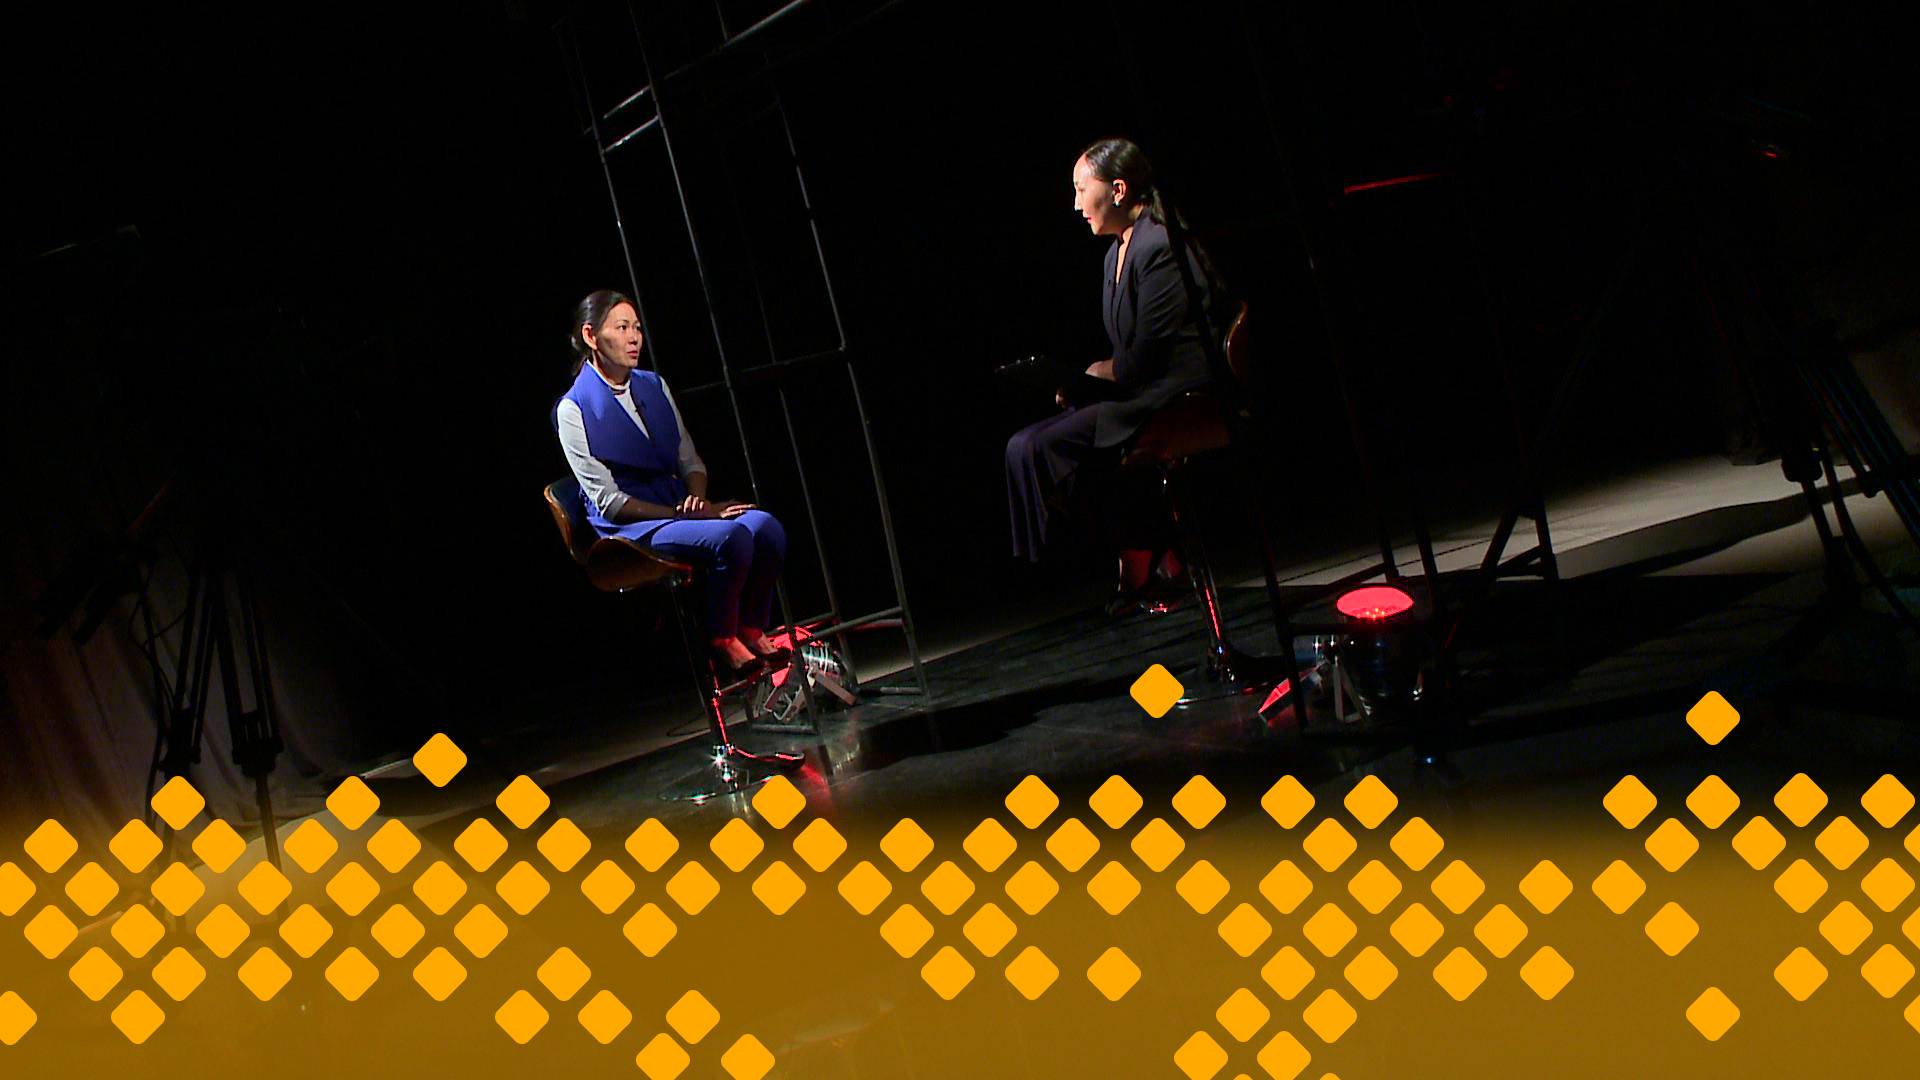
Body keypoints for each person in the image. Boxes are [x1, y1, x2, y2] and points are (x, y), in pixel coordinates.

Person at [1005, 137, 1223, 610]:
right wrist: (1082, 384)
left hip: (1176, 393)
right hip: (1138, 390)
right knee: (1023, 445)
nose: (1076, 204)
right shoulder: (1114, 254)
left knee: (1044, 448)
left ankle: (1142, 551)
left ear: (1118, 189)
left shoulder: (1159, 245)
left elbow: (1146, 358)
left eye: (1082, 189)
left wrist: (1092, 376)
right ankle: (1146, 548)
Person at [555, 289, 790, 674]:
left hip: (679, 509)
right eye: (622, 328)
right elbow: (610, 503)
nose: (634, 338)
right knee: (732, 538)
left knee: (766, 527)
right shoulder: (573, 409)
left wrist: (698, 500)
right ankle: (723, 637)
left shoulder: (654, 385)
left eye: (637, 328)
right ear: (591, 336)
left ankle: (751, 626)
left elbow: (689, 459)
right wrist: (687, 516)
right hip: (629, 529)